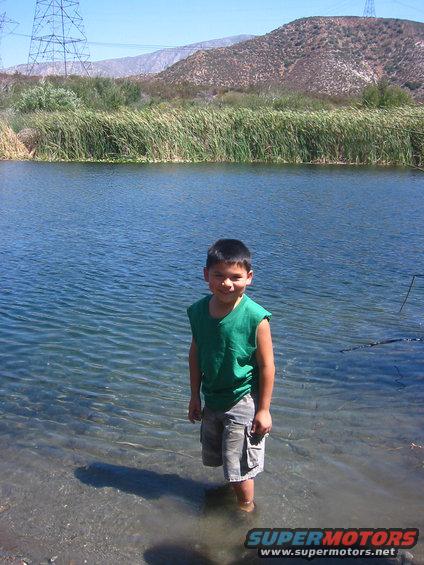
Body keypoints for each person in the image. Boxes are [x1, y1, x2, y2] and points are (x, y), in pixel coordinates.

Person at [187, 239, 275, 513]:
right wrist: (194, 396)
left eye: (235, 277)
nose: (226, 283)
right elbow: (195, 353)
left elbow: (267, 367)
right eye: (219, 276)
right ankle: (233, 494)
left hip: (243, 400)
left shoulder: (256, 317)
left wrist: (264, 410)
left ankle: (246, 510)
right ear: (206, 276)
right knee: (225, 459)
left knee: (240, 467)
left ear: (249, 278)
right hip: (212, 398)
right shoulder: (199, 311)